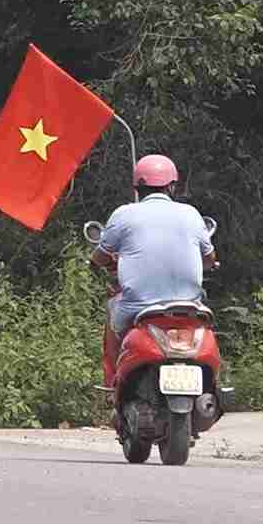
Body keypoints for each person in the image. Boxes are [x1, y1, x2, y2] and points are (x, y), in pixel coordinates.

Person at [89, 154, 219, 381]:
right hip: (188, 306)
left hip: (137, 307)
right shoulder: (191, 214)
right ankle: (215, 381)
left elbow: (99, 257)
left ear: (138, 188)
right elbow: (209, 259)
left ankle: (111, 383)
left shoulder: (123, 214)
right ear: (172, 186)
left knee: (112, 308)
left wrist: (102, 262)